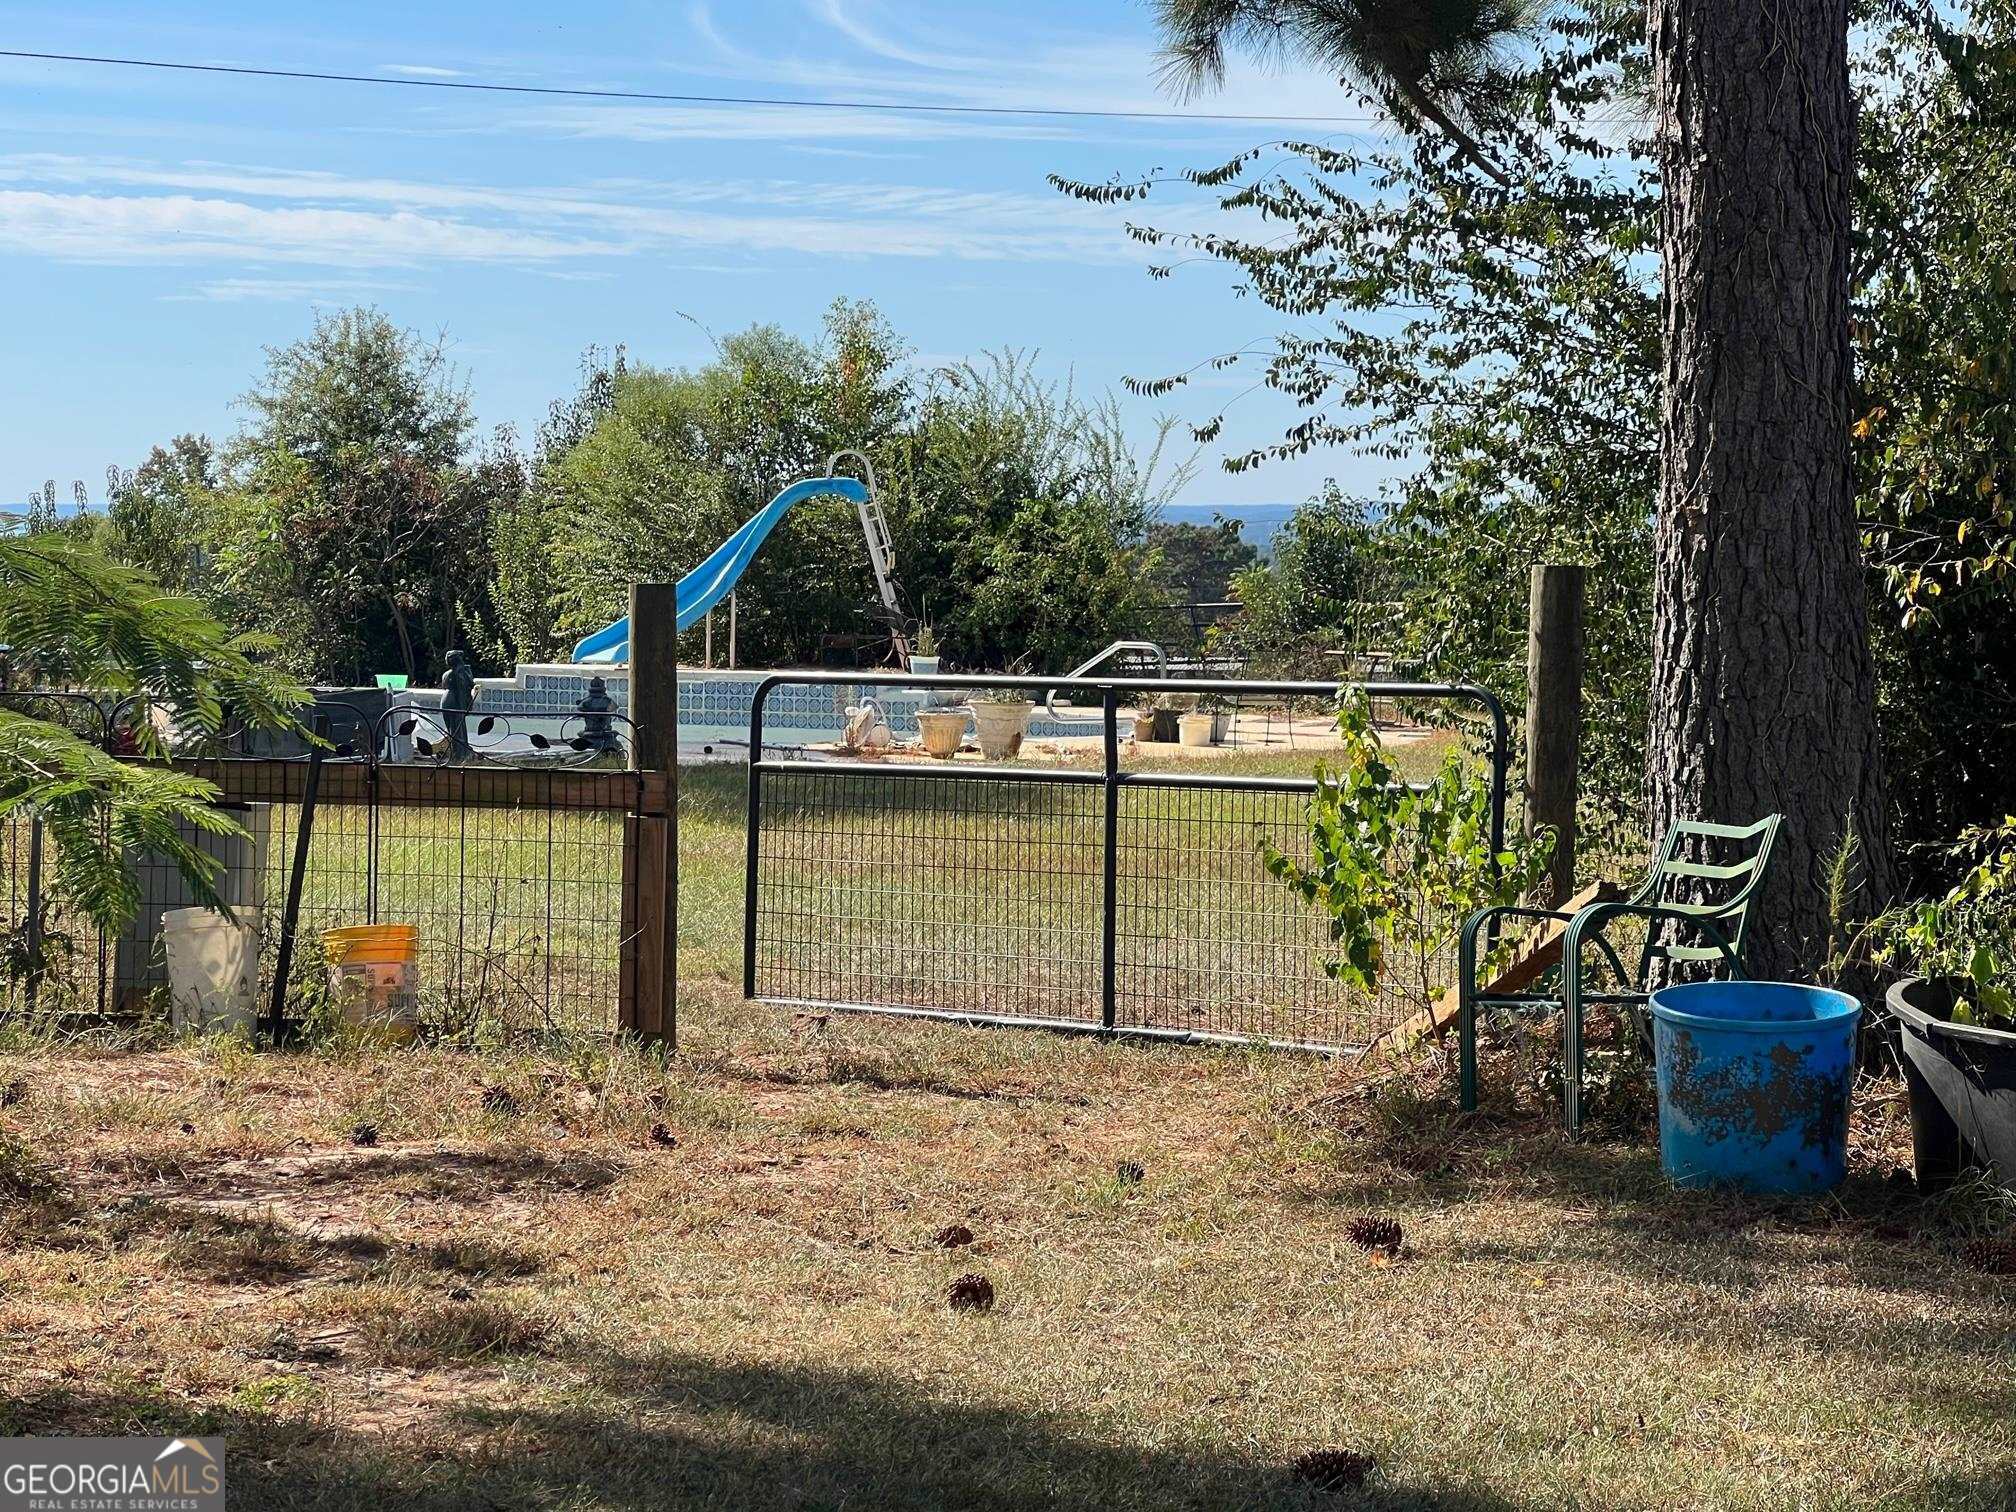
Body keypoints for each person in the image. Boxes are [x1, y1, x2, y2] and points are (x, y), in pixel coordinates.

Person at [441, 649, 476, 762]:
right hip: (454, 701)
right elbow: (467, 686)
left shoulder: (448, 673)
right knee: (457, 728)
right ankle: (459, 754)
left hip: (447, 700)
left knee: (455, 728)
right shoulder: (458, 673)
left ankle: (460, 751)